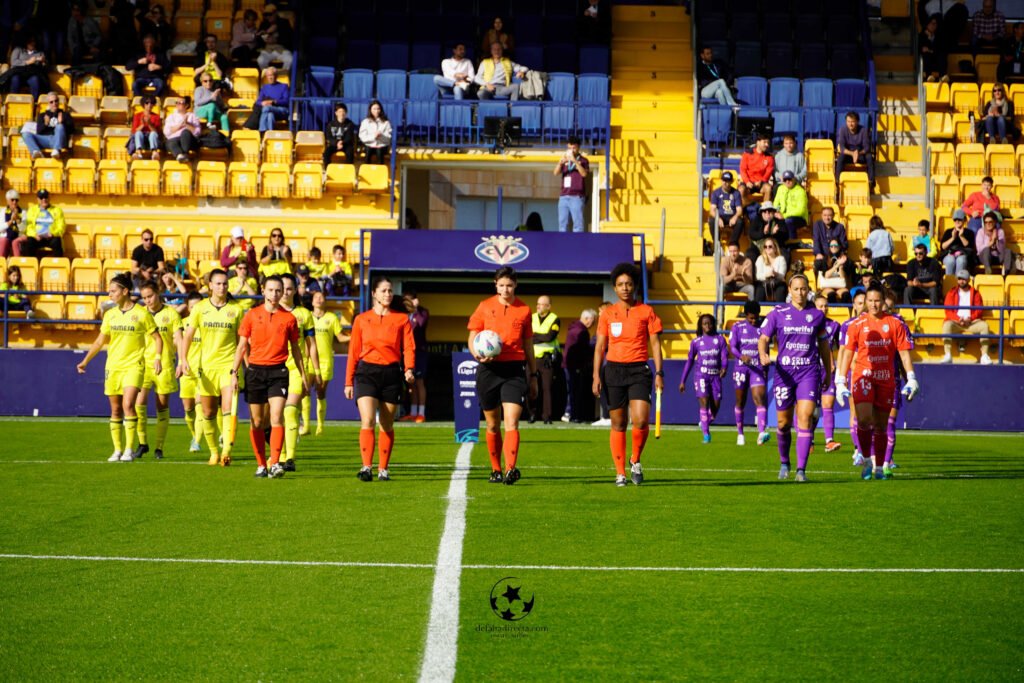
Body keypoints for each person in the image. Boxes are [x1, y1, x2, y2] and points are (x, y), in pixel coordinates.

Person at [835, 285, 919, 480]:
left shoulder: (895, 324)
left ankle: (879, 467)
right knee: (864, 419)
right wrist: (840, 380)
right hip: (863, 377)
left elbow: (904, 353)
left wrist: (912, 377)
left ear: (883, 302)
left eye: (877, 300)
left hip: (886, 379)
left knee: (881, 426)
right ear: (865, 302)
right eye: (870, 300)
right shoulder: (857, 324)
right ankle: (865, 458)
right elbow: (847, 353)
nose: (873, 304)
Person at [76, 273, 162, 462]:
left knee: (128, 404)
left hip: (134, 365)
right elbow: (100, 341)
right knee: (115, 410)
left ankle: (129, 450)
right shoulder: (110, 315)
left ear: (125, 291)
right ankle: (117, 449)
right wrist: (86, 360)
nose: (110, 294)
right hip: (113, 366)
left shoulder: (142, 313)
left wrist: (157, 357)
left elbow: (157, 338)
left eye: (113, 291)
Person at [757, 274, 833, 482]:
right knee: (782, 423)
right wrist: (763, 353)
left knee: (805, 417)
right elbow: (763, 338)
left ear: (808, 290)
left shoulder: (816, 315)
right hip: (784, 374)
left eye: (804, 289)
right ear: (789, 290)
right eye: (796, 289)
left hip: (808, 372)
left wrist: (829, 369)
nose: (800, 293)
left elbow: (824, 345)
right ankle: (784, 463)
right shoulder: (777, 314)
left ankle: (801, 470)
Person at [592, 263, 663, 486]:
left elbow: (655, 343)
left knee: (641, 420)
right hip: (613, 370)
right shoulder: (607, 314)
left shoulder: (646, 311)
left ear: (634, 286)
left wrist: (660, 372)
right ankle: (620, 472)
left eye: (629, 284)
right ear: (615, 288)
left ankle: (636, 459)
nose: (625, 288)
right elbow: (599, 347)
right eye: (621, 284)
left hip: (639, 370)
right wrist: (596, 375)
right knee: (618, 422)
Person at [468, 266, 537, 484]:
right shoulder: (484, 306)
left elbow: (528, 345)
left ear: (515, 285)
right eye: (501, 285)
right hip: (488, 370)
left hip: (514, 370)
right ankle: (496, 469)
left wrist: (533, 374)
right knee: (492, 424)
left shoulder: (525, 310)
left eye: (509, 285)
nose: (505, 289)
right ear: (495, 285)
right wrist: (478, 355)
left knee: (512, 422)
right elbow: (472, 337)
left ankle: (510, 469)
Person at [233, 274, 306, 479]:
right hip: (255, 371)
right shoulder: (251, 315)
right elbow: (241, 346)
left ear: (283, 292)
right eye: (271, 290)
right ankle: (261, 464)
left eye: (278, 290)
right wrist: (233, 373)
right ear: (263, 290)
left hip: (279, 372)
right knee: (256, 421)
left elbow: (296, 350)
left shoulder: (289, 319)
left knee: (276, 416)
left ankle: (275, 463)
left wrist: (303, 374)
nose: (275, 294)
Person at [347, 276, 415, 482]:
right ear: (374, 293)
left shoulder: (401, 319)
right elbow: (353, 351)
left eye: (390, 291)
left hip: (391, 374)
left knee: (386, 424)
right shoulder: (361, 319)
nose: (387, 294)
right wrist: (348, 381)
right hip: (366, 373)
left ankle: (383, 469)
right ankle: (366, 466)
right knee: (367, 420)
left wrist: (409, 369)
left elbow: (408, 347)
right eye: (383, 290)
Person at [177, 269, 243, 466]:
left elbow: (241, 341)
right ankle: (213, 451)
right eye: (218, 283)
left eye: (225, 284)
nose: (222, 287)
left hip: (228, 367)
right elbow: (187, 336)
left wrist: (240, 367)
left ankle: (226, 451)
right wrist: (183, 359)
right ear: (210, 286)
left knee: (229, 409)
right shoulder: (200, 309)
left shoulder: (237, 310)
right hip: (206, 368)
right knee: (207, 413)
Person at [132, 279, 182, 461]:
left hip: (165, 365)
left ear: (158, 293)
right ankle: (142, 443)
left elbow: (179, 338)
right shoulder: (139, 314)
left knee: (162, 406)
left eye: (150, 296)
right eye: (144, 298)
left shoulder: (171, 314)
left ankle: (159, 447)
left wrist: (182, 360)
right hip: (143, 364)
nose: (148, 301)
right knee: (138, 404)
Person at [279, 273, 320, 460]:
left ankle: (289, 458)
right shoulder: (269, 313)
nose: (285, 292)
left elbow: (311, 345)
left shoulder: (304, 314)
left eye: (289, 288)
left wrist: (315, 371)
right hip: (274, 368)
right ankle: (280, 452)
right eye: (283, 288)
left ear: (295, 290)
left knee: (289, 409)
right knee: (274, 416)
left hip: (296, 368)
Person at [679, 313, 728, 444]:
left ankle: (704, 422)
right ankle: (706, 435)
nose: (707, 326)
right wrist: (683, 380)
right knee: (704, 403)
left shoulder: (720, 340)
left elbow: (724, 357)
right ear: (701, 326)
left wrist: (724, 368)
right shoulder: (696, 342)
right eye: (704, 324)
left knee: (715, 407)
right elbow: (689, 361)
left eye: (710, 323)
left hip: (715, 376)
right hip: (701, 376)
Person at [730, 301, 770, 446]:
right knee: (741, 401)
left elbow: (766, 348)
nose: (754, 321)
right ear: (746, 315)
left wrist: (765, 364)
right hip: (741, 368)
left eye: (756, 318)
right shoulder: (737, 327)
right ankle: (740, 433)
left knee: (759, 398)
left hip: (757, 368)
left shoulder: (763, 328)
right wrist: (741, 356)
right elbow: (732, 347)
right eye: (751, 318)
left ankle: (761, 432)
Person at [309, 289, 348, 435]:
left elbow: (341, 338)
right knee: (303, 390)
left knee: (320, 392)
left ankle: (320, 425)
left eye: (321, 297)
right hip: (308, 360)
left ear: (325, 301)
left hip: (325, 361)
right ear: (312, 301)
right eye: (316, 297)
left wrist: (355, 335)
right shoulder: (307, 317)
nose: (319, 299)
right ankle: (305, 424)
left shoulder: (331, 318)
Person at [837, 291, 866, 460]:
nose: (863, 306)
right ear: (854, 305)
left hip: (871, 372)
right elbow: (842, 351)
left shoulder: (873, 324)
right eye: (860, 303)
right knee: (855, 412)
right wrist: (840, 377)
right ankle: (858, 448)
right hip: (854, 373)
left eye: (865, 302)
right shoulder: (847, 325)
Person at [942, 270, 992, 364]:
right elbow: (948, 310)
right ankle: (948, 354)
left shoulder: (976, 293)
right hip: (956, 322)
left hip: (971, 322)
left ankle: (984, 355)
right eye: (959, 279)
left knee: (984, 326)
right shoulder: (951, 292)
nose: (961, 281)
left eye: (963, 279)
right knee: (946, 325)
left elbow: (979, 309)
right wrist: (958, 319)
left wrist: (971, 318)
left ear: (968, 280)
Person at [813, 294, 843, 453]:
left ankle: (829, 440)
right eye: (820, 306)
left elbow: (841, 349)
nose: (824, 309)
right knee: (810, 408)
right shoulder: (808, 324)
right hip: (810, 370)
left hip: (828, 370)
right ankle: (808, 438)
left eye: (826, 306)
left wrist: (835, 365)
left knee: (828, 405)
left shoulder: (835, 326)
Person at [179, 292, 205, 453]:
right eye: (191, 306)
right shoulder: (183, 325)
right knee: (188, 409)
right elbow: (180, 347)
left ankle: (197, 440)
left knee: (199, 405)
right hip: (187, 370)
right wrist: (181, 363)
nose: (195, 309)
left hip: (203, 371)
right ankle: (194, 434)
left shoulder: (209, 323)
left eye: (198, 306)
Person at [530, 295, 562, 424]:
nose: (538, 306)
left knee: (547, 388)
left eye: (542, 304)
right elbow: (526, 337)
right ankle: (532, 414)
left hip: (546, 359)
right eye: (537, 303)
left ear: (548, 306)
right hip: (531, 358)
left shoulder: (555, 319)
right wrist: (539, 336)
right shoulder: (531, 317)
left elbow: (550, 337)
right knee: (530, 387)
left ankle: (547, 416)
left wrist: (535, 336)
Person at [563, 308, 596, 423]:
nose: (593, 324)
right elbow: (581, 351)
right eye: (593, 321)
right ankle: (573, 414)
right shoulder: (581, 332)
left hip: (569, 365)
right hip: (574, 366)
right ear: (588, 319)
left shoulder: (574, 329)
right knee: (575, 390)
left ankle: (570, 413)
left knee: (571, 390)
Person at [401, 291, 429, 423]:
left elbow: (421, 324)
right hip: (407, 352)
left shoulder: (422, 312)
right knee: (410, 383)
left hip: (420, 352)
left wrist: (416, 309)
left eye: (411, 300)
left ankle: (421, 413)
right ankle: (412, 412)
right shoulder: (403, 314)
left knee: (419, 382)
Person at [22, 92, 72, 159]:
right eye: (51, 102)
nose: (54, 103)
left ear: (58, 101)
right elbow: (39, 131)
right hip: (45, 139)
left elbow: (72, 129)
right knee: (25, 134)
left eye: (56, 101)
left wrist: (62, 122)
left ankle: (56, 150)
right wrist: (45, 124)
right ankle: (36, 152)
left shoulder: (65, 114)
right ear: (48, 103)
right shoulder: (42, 115)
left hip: (58, 139)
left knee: (59, 126)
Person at [15, 189, 65, 257]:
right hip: (37, 237)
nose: (44, 199)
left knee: (57, 241)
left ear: (49, 197)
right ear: (38, 199)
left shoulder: (57, 210)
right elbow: (29, 227)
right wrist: (34, 235)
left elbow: (61, 227)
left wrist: (53, 233)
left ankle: (59, 264)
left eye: (46, 197)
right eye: (41, 198)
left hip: (50, 237)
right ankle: (30, 264)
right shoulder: (32, 210)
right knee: (29, 242)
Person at [555, 136, 589, 233]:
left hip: (577, 197)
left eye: (574, 148)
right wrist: (560, 163)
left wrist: (574, 161)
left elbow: (584, 174)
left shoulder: (583, 160)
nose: (572, 150)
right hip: (564, 196)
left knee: (578, 225)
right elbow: (555, 173)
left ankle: (577, 246)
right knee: (562, 224)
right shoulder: (565, 159)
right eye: (570, 148)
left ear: (578, 147)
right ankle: (562, 245)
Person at [835, 111, 875, 192]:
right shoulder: (843, 130)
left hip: (860, 154)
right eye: (848, 121)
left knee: (869, 157)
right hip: (848, 154)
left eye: (853, 121)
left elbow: (867, 147)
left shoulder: (863, 130)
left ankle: (871, 182)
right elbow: (842, 148)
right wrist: (852, 154)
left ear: (857, 121)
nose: (850, 124)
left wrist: (858, 153)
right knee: (840, 157)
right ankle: (837, 182)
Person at [976, 209, 1016, 275]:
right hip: (984, 257)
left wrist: (996, 240)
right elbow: (979, 249)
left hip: (997, 256)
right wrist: (990, 243)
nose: (988, 224)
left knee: (1008, 251)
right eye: (986, 222)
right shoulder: (980, 232)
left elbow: (1002, 249)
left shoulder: (1000, 232)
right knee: (986, 250)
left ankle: (1007, 272)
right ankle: (988, 270)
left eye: (990, 222)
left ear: (994, 222)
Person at [256, 3, 294, 71]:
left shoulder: (284, 22)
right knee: (261, 61)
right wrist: (267, 32)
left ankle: (283, 77)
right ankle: (269, 77)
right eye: (265, 15)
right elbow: (258, 39)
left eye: (270, 14)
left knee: (290, 60)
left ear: (275, 13)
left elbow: (289, 38)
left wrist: (276, 40)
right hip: (268, 50)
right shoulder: (264, 24)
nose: (268, 17)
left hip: (281, 49)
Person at [709, 171, 744, 244]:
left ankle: (732, 244)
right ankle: (717, 244)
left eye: (728, 181)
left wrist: (735, 217)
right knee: (711, 220)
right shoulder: (716, 193)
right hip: (720, 216)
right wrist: (718, 218)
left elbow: (739, 210)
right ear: (721, 181)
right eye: (724, 180)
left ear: (731, 182)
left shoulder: (736, 193)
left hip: (732, 216)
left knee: (740, 222)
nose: (726, 183)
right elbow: (712, 210)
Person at [774, 170, 809, 242]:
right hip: (783, 216)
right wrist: (776, 212)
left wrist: (784, 215)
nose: (787, 181)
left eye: (789, 179)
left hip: (799, 218)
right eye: (785, 180)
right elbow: (776, 203)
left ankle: (792, 243)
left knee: (789, 221)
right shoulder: (780, 188)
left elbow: (800, 211)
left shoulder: (800, 191)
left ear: (793, 179)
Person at [9, 34, 47, 100]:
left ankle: (35, 102)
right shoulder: (18, 50)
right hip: (19, 73)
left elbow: (45, 68)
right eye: (30, 41)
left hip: (32, 74)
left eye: (33, 41)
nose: (32, 43)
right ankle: (12, 100)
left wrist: (44, 62)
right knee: (15, 79)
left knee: (35, 80)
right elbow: (13, 62)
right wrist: (27, 62)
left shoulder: (40, 53)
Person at [163, 98, 201, 163]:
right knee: (170, 142)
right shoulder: (171, 117)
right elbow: (167, 132)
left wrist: (187, 124)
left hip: (188, 140)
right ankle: (180, 155)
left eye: (180, 103)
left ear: (186, 105)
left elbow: (197, 132)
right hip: (174, 139)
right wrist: (180, 125)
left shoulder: (192, 116)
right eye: (176, 103)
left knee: (185, 132)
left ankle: (185, 153)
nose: (178, 104)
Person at [940, 208, 976, 275]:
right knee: (950, 260)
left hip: (963, 255)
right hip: (949, 254)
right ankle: (950, 282)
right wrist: (953, 238)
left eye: (959, 219)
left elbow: (970, 247)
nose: (957, 221)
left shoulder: (969, 232)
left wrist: (961, 236)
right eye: (955, 219)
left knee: (961, 260)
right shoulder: (948, 231)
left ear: (964, 220)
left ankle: (958, 282)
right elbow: (943, 247)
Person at [739, 134, 774, 203]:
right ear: (758, 142)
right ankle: (750, 209)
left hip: (761, 184)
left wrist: (761, 181)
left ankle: (764, 211)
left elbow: (768, 173)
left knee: (768, 188)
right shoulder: (747, 154)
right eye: (764, 142)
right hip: (748, 183)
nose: (767, 145)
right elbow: (743, 170)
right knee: (741, 190)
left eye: (768, 143)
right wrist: (747, 182)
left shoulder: (769, 157)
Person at [255, 66, 290, 132]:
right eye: (268, 76)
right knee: (270, 115)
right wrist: (262, 103)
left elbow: (286, 101)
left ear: (276, 76)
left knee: (266, 108)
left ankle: (261, 131)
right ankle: (270, 133)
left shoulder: (284, 86)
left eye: (272, 75)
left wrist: (274, 102)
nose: (270, 77)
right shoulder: (264, 87)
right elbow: (258, 101)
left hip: (282, 110)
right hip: (269, 110)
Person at [754, 237, 788, 303]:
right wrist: (767, 275)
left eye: (770, 246)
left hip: (777, 282)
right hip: (763, 282)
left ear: (775, 248)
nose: (767, 248)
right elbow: (758, 276)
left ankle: (780, 309)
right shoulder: (760, 259)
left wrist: (775, 273)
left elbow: (782, 275)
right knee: (759, 288)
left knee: (781, 288)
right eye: (765, 246)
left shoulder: (781, 259)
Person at [359, 100, 392, 165]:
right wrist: (373, 136)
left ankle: (380, 172)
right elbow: (362, 137)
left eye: (378, 109)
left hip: (382, 145)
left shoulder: (386, 122)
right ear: (370, 110)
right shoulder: (365, 122)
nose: (376, 111)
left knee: (379, 151)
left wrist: (381, 136)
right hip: (369, 145)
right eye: (374, 109)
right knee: (368, 152)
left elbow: (389, 138)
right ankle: (366, 171)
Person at [131, 96, 162, 160]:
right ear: (143, 104)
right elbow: (134, 131)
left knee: (153, 134)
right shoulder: (137, 116)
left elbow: (157, 132)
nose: (149, 105)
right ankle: (139, 153)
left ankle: (154, 153)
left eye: (151, 103)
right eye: (147, 103)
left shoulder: (156, 117)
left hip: (151, 138)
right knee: (138, 133)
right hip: (142, 138)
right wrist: (142, 125)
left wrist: (149, 123)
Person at [920, 14, 945, 82]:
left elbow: (939, 48)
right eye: (932, 23)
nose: (934, 25)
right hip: (927, 61)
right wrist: (930, 50)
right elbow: (922, 49)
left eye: (935, 24)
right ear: (927, 24)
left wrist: (931, 39)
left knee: (941, 55)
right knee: (926, 55)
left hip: (936, 60)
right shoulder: (922, 35)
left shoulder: (938, 36)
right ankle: (929, 77)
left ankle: (942, 77)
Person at [1, 190, 25, 258]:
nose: (14, 202)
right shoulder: (3, 212)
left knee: (15, 242)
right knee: (3, 241)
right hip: (6, 236)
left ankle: (18, 264)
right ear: (7, 201)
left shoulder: (23, 212)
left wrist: (17, 219)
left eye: (16, 200)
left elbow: (24, 229)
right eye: (12, 200)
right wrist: (10, 222)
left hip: (18, 236)